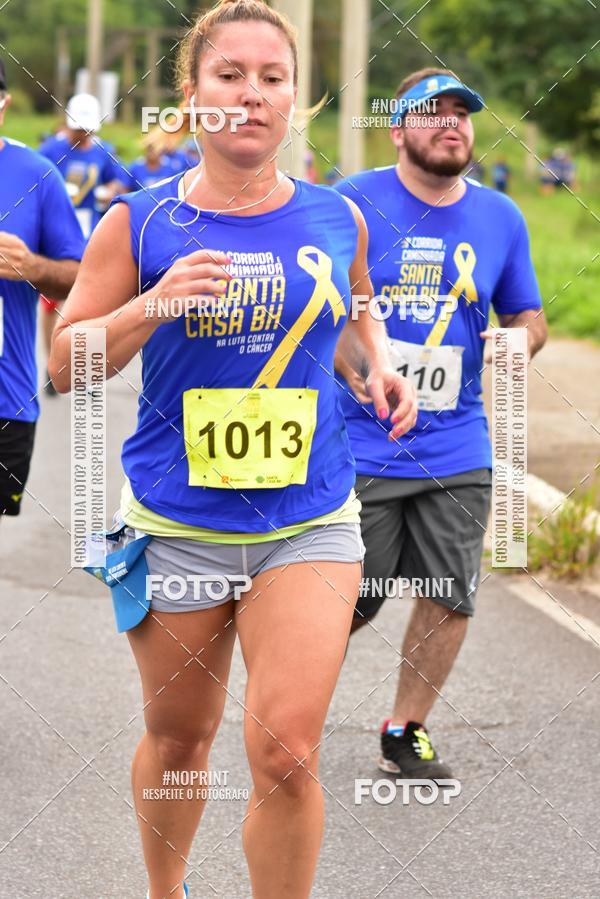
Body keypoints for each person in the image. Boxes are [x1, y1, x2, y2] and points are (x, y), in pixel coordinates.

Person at [49, 2, 417, 897]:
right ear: (192, 96)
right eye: (229, 76)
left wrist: (379, 365)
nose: (251, 96)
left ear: (299, 99)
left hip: (310, 518)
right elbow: (67, 360)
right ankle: (165, 890)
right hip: (177, 524)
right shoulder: (137, 222)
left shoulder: (339, 215)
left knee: (287, 748)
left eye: (272, 79)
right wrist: (153, 302)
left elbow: (349, 307)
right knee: (182, 737)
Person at [334, 67, 547, 781]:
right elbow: (317, 313)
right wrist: (358, 373)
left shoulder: (500, 217)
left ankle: (405, 728)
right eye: (433, 112)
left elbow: (527, 315)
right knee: (350, 597)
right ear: (397, 129)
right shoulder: (351, 203)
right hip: (360, 438)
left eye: (462, 113)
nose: (452, 123)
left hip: (457, 441)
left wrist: (522, 340)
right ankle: (287, 705)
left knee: (449, 589)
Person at [0, 58, 84, 520]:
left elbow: (79, 273)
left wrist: (32, 266)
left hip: (5, 399)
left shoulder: (37, 175)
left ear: (5, 105)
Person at [38, 93, 126, 391]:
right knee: (52, 302)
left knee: (91, 304)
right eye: (78, 129)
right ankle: (52, 365)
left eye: (88, 130)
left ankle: (84, 367)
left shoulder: (104, 152)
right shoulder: (51, 150)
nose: (83, 135)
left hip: (92, 234)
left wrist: (108, 189)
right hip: (57, 233)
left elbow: (121, 182)